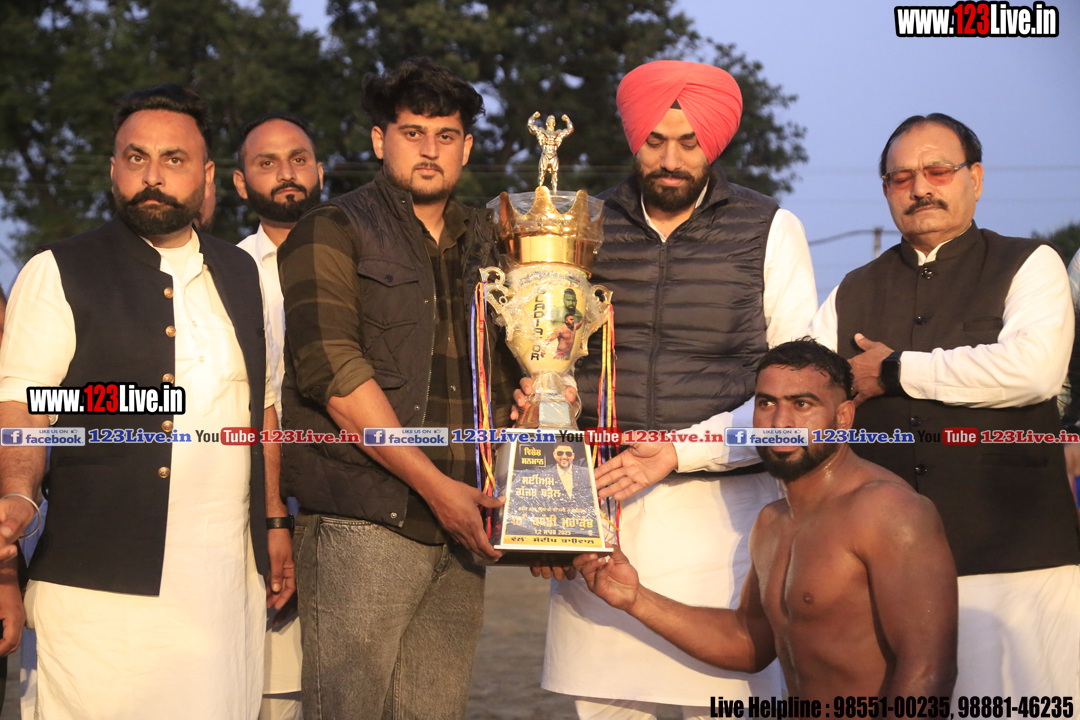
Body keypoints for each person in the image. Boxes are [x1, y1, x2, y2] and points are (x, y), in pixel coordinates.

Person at [0, 84, 293, 719]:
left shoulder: (241, 274)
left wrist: (275, 520)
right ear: (114, 169)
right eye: (137, 158)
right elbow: (22, 406)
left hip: (224, 587)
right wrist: (19, 493)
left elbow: (262, 409)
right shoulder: (58, 271)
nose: (153, 176)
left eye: (173, 159)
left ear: (206, 175)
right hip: (97, 590)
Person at [538, 60, 817, 720]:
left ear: (713, 143)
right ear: (633, 139)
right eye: (654, 141)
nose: (670, 160)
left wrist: (679, 451)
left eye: (688, 143)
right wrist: (551, 512)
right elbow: (552, 371)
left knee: (728, 694)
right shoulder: (581, 226)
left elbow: (798, 394)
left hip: (728, 519)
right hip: (604, 518)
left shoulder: (770, 228)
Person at [277, 58, 520, 720]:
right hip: (365, 519)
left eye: (446, 135)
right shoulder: (333, 227)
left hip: (464, 522)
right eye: (413, 133)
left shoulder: (494, 241)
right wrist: (437, 489)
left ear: (467, 146)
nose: (430, 149)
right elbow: (332, 373)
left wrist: (536, 399)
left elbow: (517, 368)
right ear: (381, 140)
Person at [810, 113, 1080, 698]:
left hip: (1017, 560)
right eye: (901, 177)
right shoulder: (852, 288)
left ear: (974, 179)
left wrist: (893, 370)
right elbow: (801, 396)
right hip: (883, 567)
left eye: (937, 171)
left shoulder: (1030, 263)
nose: (920, 188)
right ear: (886, 190)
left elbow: (1032, 371)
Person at [576, 340, 959, 700]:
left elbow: (928, 671)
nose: (780, 420)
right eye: (766, 403)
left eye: (802, 404)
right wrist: (636, 599)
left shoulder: (888, 510)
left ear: (843, 416)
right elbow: (749, 644)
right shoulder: (773, 521)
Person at [235, 111, 324, 720]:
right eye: (266, 163)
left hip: (350, 492)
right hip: (257, 502)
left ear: (320, 170)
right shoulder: (227, 273)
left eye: (297, 159)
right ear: (240, 183)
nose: (285, 173)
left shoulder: (365, 261)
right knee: (268, 686)